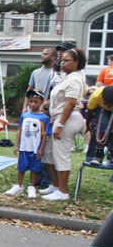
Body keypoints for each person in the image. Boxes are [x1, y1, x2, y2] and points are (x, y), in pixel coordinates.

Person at [41, 48, 87, 200]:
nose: (62, 63)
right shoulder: (66, 77)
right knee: (48, 152)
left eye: (67, 60)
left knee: (61, 155)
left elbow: (70, 103)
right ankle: (55, 185)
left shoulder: (74, 79)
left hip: (67, 119)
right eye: (62, 60)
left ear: (76, 63)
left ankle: (63, 191)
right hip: (59, 117)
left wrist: (60, 124)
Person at [5, 89, 50, 198]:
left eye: (36, 102)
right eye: (30, 102)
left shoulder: (44, 118)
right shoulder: (24, 116)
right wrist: (16, 145)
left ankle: (32, 186)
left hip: (35, 148)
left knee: (34, 168)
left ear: (41, 102)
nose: (33, 104)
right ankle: (18, 185)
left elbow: (45, 134)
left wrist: (41, 148)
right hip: (24, 147)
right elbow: (19, 130)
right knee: (21, 167)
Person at [85, 85, 113, 166]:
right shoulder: (96, 96)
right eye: (107, 103)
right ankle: (98, 154)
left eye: (111, 104)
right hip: (101, 109)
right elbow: (90, 111)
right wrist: (87, 125)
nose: (109, 106)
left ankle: (112, 154)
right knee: (101, 127)